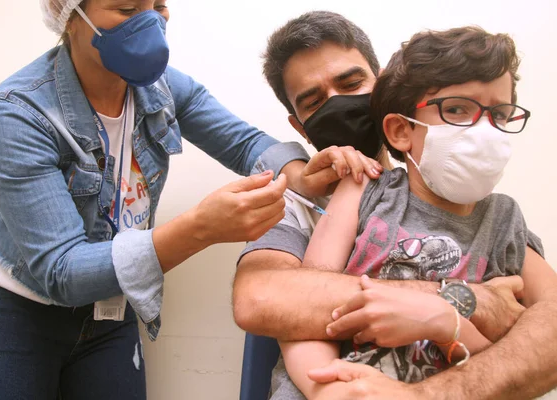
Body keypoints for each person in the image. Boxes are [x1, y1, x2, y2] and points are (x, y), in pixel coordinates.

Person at [0, 2, 382, 399]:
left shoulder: (160, 88)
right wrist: (201, 229)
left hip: (109, 309)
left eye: (158, 6)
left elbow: (243, 143)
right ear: (66, 14)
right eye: (127, 8)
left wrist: (301, 179)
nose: (150, 22)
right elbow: (62, 271)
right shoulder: (15, 112)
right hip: (16, 312)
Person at [233, 12, 557, 400]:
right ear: (300, 125)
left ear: (380, 80)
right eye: (314, 100)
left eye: (351, 83)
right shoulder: (327, 196)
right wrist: (461, 300)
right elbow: (271, 305)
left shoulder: (502, 220)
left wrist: (446, 323)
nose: (479, 130)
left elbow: (529, 339)